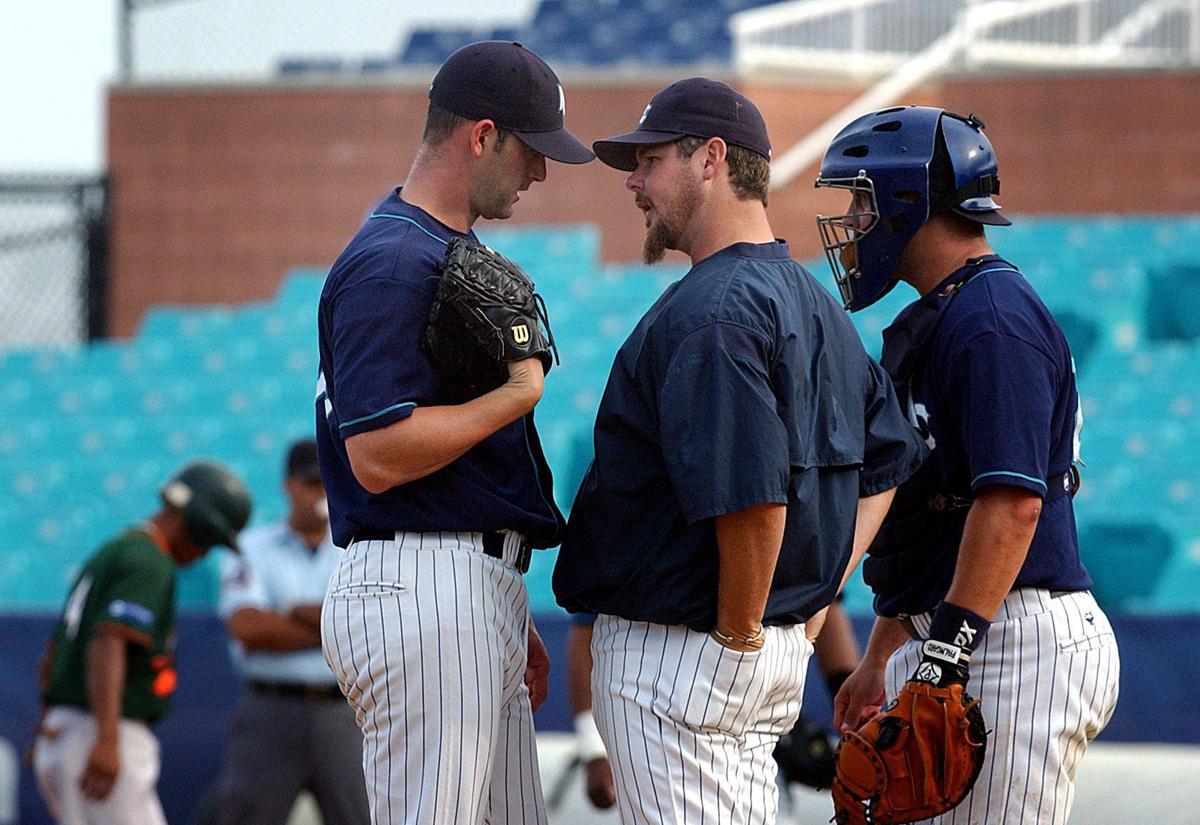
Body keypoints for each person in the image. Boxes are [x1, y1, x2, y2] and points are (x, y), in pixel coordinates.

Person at [552, 77, 928, 824]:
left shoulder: (714, 311)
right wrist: (815, 598)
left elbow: (756, 500)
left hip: (689, 653)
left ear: (710, 158)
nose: (632, 180)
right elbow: (888, 463)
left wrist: (737, 632)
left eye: (648, 159)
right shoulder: (814, 300)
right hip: (752, 647)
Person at [313, 40, 593, 825]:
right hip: (423, 583)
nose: (539, 173)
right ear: (482, 135)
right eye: (532, 151)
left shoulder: (430, 246)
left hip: (460, 583)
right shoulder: (394, 260)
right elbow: (375, 454)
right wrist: (519, 390)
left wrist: (504, 600)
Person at [815, 106, 1120, 824]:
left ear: (908, 200)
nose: (855, 220)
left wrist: (942, 660)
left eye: (862, 198)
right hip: (960, 629)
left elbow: (1013, 504)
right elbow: (931, 516)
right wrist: (882, 650)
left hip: (1010, 638)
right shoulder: (941, 314)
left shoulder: (992, 318)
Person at [33, 461, 251, 825]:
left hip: (71, 728)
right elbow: (108, 641)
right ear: (201, 523)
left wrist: (50, 717)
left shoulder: (118, 548)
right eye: (211, 540)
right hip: (101, 731)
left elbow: (59, 645)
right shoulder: (149, 559)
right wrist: (106, 740)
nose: (205, 552)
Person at [206, 439, 368, 825]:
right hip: (271, 709)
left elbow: (368, 629)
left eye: (327, 481)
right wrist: (334, 626)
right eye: (312, 482)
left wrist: (291, 612)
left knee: (362, 816)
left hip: (345, 708)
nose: (320, 492)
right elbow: (249, 628)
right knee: (247, 816)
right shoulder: (250, 547)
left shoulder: (360, 547)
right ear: (288, 485)